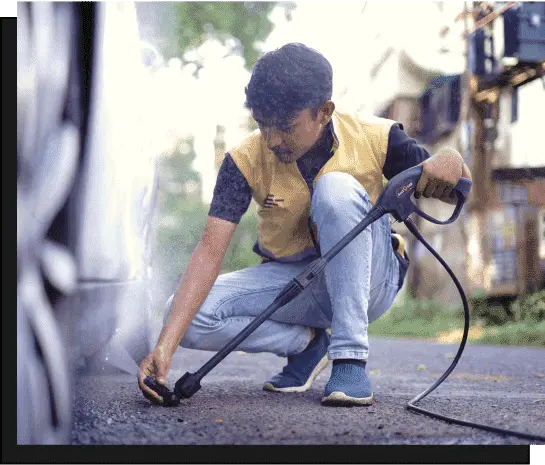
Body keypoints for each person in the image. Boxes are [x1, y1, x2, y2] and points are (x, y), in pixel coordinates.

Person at [138, 43, 472, 406]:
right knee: (184, 313)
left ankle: (349, 358)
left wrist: (451, 158)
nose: (272, 139)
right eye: (262, 124)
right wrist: (164, 348)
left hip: (371, 280)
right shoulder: (243, 160)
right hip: (296, 285)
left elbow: (455, 185)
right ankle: (309, 345)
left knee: (336, 187)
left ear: (323, 112)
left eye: (285, 127)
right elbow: (210, 250)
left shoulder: (377, 137)